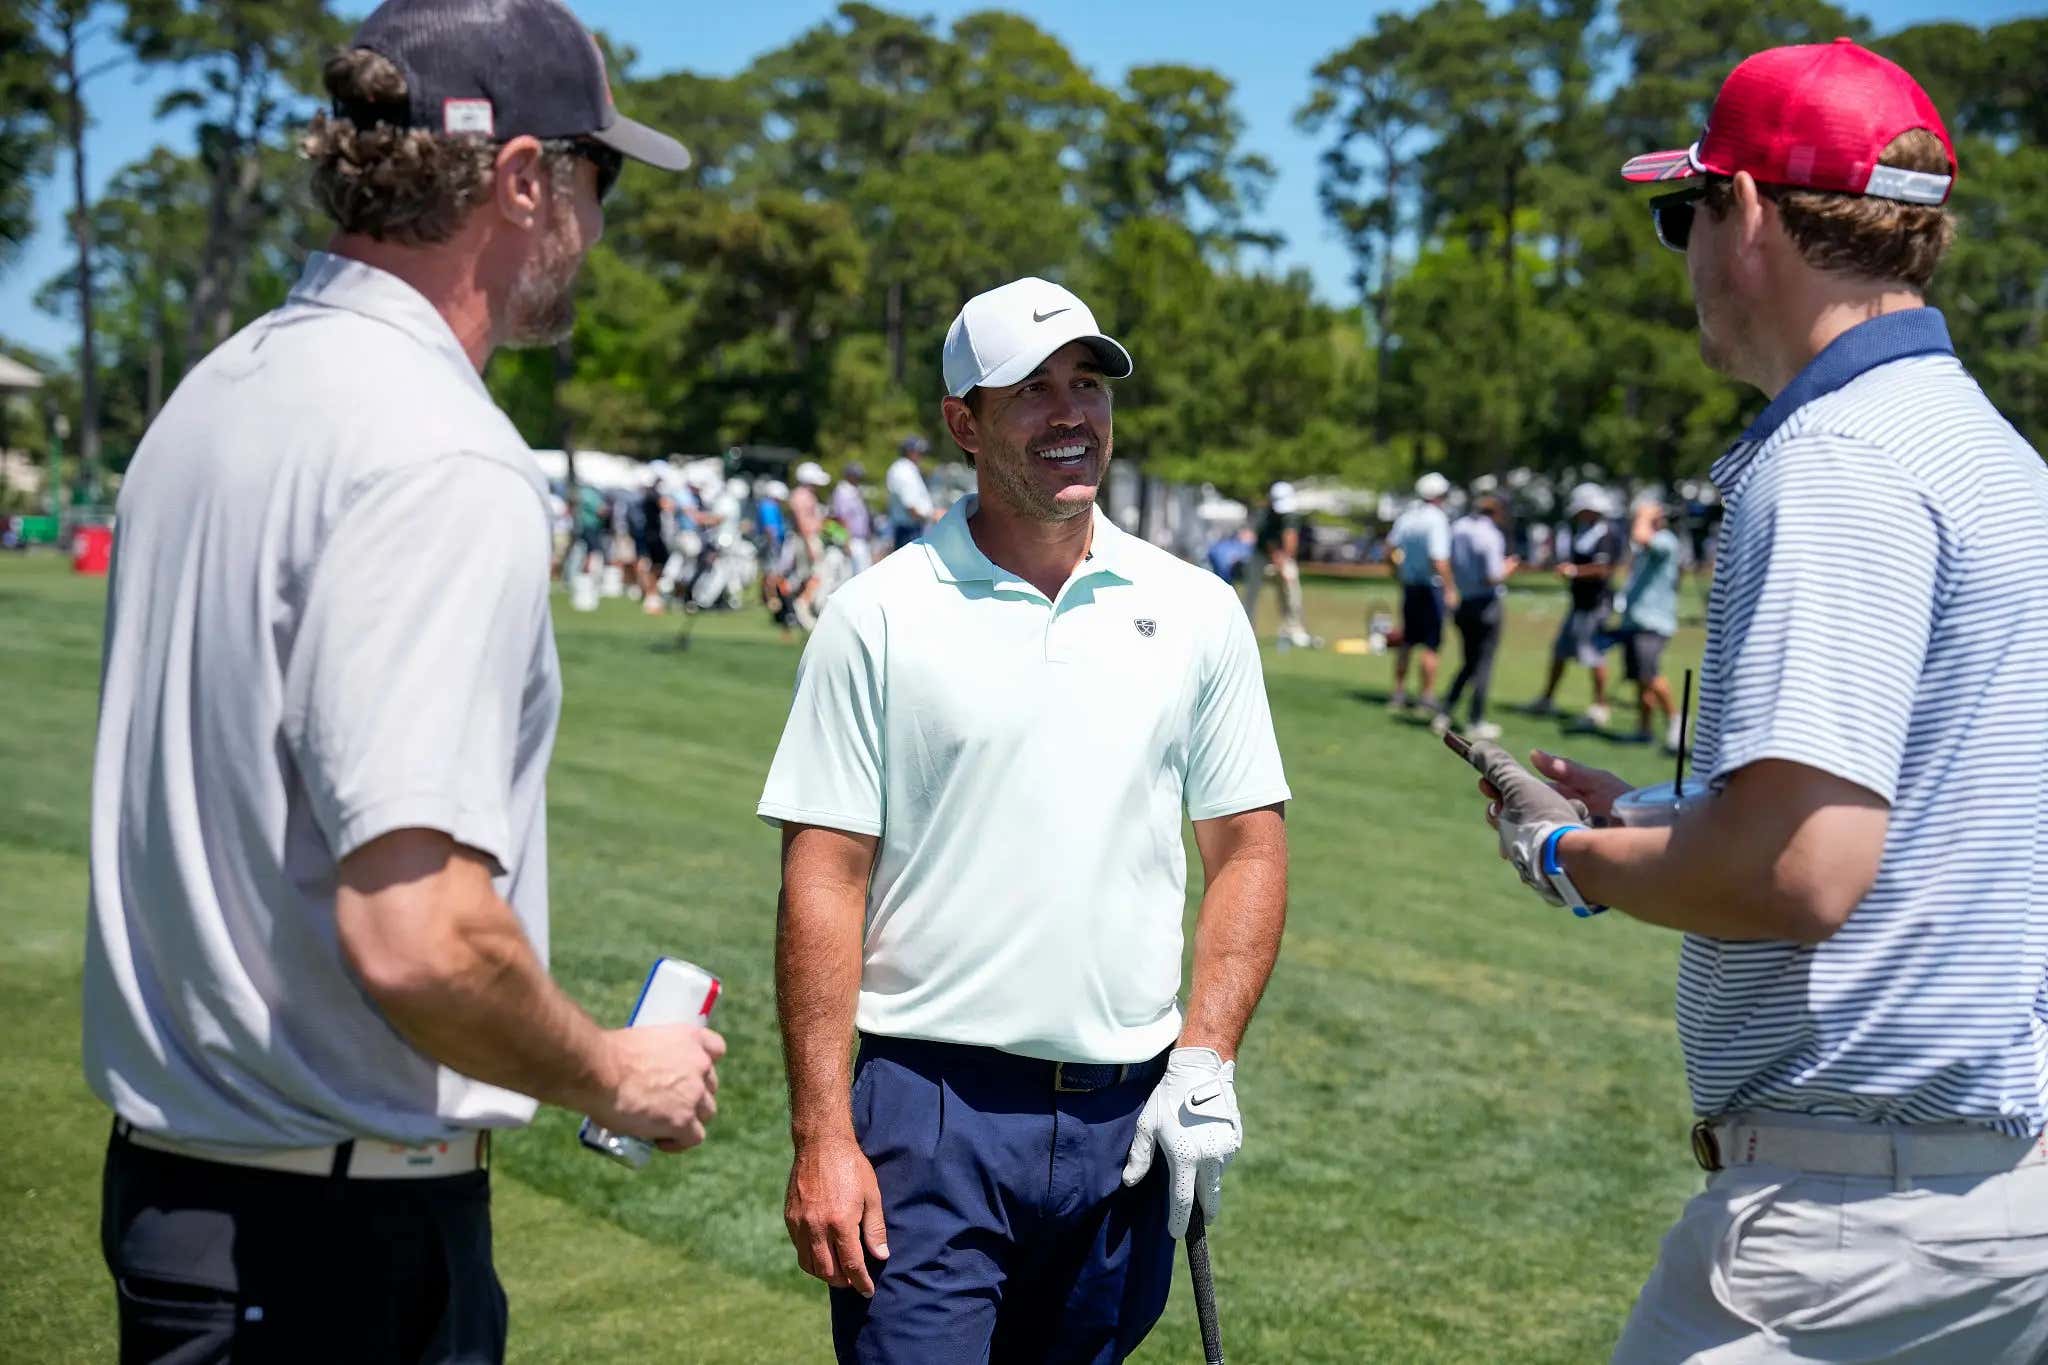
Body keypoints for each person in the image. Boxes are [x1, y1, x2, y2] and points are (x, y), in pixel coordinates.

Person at [82, 5, 726, 1360]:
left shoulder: (216, 397)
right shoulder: (439, 451)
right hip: (328, 1253)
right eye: (594, 184)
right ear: (521, 180)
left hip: (184, 1208)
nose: (597, 234)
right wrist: (619, 1070)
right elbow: (420, 934)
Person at [1469, 40, 2048, 1363]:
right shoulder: (1994, 453)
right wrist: (1673, 811)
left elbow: (1802, 871)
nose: (1681, 252)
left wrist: (1569, 854)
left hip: (1852, 1221)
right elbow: (1935, 805)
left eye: (1683, 212)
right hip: (1994, 1203)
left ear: (1743, 216)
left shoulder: (1835, 456)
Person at [762, 276, 1290, 1364]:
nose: (1071, 414)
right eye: (1032, 389)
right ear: (963, 423)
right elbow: (823, 879)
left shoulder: (1193, 610)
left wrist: (1206, 1057)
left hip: (1126, 1121)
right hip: (928, 1112)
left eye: (1088, 384)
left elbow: (1246, 847)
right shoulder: (876, 616)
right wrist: (821, 1133)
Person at [1524, 483, 1618, 725]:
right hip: (1578, 603)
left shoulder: (1606, 534)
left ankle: (1600, 705)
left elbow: (1603, 569)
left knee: (1594, 654)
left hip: (1595, 605)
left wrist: (1573, 571)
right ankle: (1547, 698)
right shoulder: (1583, 531)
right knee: (1560, 651)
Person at [1433, 494, 1517, 740]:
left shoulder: (1458, 527)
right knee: (1483, 664)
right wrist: (1509, 568)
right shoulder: (1490, 535)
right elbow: (1492, 576)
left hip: (1463, 601)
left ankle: (1445, 711)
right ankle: (1475, 719)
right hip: (1486, 604)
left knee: (1469, 662)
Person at [1613, 499, 1683, 752]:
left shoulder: (1665, 539)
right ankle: (1644, 730)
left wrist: (1644, 514)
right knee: (1640, 680)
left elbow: (1641, 536)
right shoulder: (1652, 543)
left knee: (1649, 674)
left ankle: (1677, 721)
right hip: (1636, 619)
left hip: (1654, 621)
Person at [1386, 472, 1457, 712]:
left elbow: (1390, 549)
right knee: (1431, 644)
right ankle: (1426, 696)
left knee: (1407, 641)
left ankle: (1398, 692)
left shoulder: (1408, 517)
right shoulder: (1437, 519)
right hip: (1431, 587)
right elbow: (1439, 559)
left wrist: (1396, 572)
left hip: (1411, 585)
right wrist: (1450, 589)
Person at [1242, 480, 1315, 649]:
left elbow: (1291, 537)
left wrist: (1285, 560)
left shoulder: (1292, 514)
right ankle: (1245, 631)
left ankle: (1295, 629)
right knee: (1251, 594)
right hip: (1261, 555)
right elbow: (1266, 540)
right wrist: (1276, 557)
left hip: (1282, 555)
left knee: (1291, 589)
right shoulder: (1264, 514)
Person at [883, 436, 937, 553]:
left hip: (909, 530)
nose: (922, 456)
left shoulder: (904, 468)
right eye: (919, 452)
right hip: (908, 532)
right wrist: (933, 516)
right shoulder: (904, 470)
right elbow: (911, 507)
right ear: (910, 451)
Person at [829, 461, 874, 573]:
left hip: (860, 540)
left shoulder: (854, 490)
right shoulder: (843, 492)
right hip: (852, 540)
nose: (858, 478)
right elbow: (842, 518)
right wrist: (846, 541)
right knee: (856, 575)